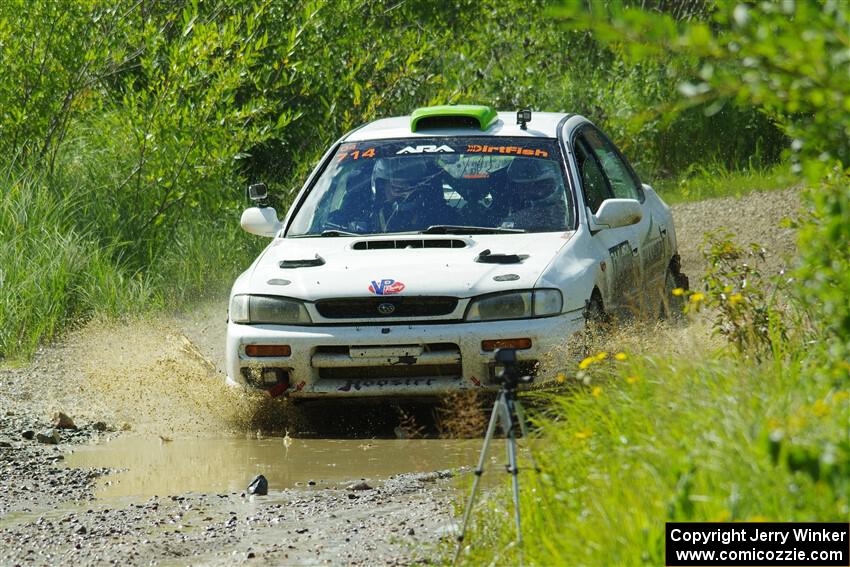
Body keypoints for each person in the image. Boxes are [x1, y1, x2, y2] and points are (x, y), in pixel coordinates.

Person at [370, 157, 457, 232]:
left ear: (417, 187)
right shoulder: (367, 219)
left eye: (404, 187)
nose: (399, 192)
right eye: (394, 186)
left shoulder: (443, 216)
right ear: (381, 187)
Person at [502, 158, 569, 231]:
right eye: (523, 186)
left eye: (542, 184)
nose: (529, 190)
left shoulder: (565, 214)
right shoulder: (514, 219)